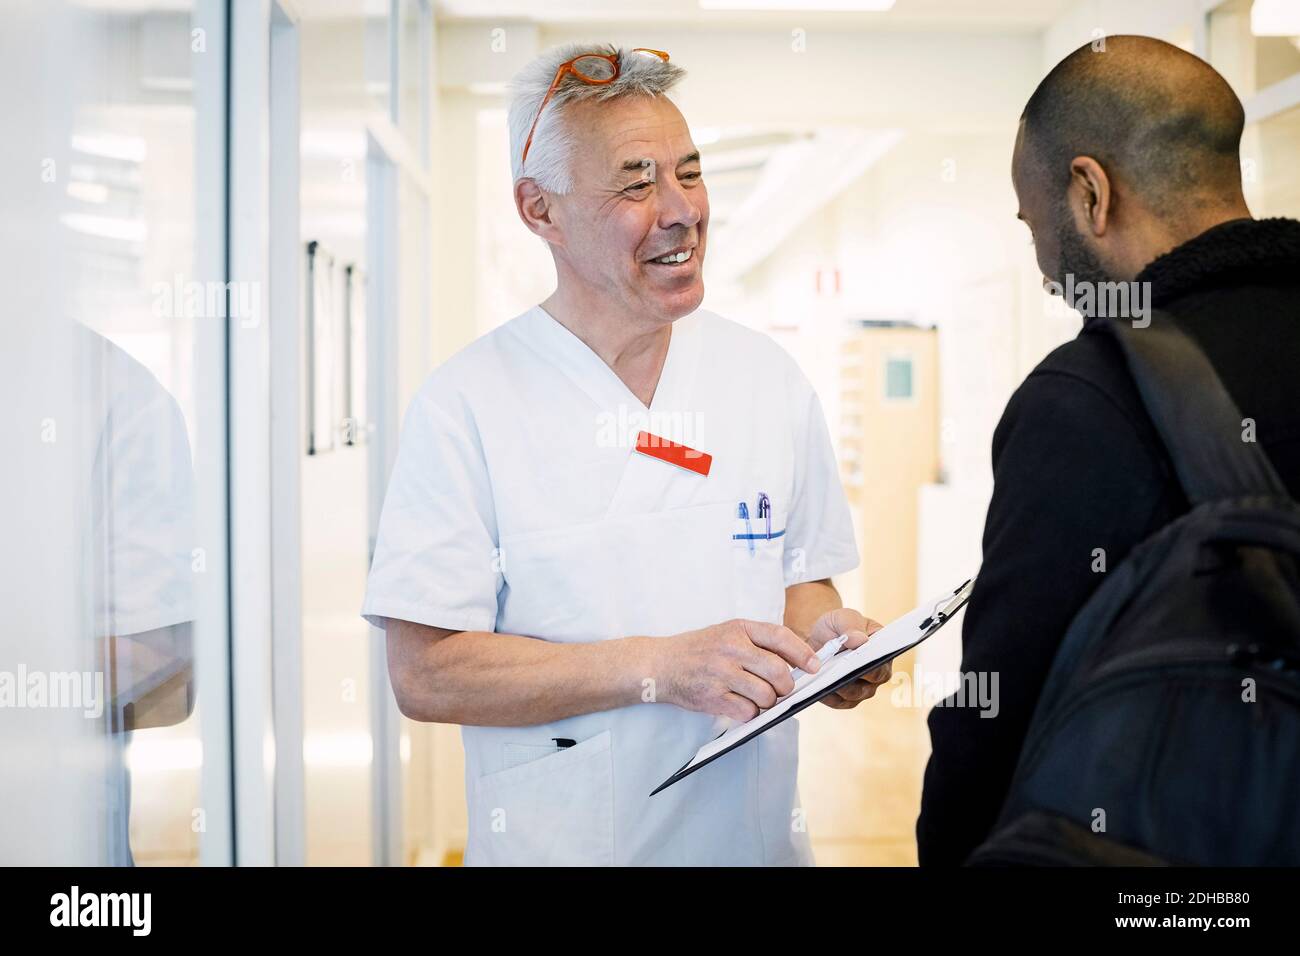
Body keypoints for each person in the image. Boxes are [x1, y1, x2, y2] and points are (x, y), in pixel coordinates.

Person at [361, 43, 890, 866]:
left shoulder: (767, 380)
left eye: (690, 171)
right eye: (637, 183)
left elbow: (800, 580)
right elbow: (426, 675)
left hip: (749, 843)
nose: (681, 210)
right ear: (540, 211)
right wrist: (658, 666)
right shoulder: (468, 405)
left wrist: (827, 644)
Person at [917, 35, 1300, 866]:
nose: (1049, 274)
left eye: (1036, 229)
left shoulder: (1089, 396)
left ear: (1091, 193)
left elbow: (1000, 707)